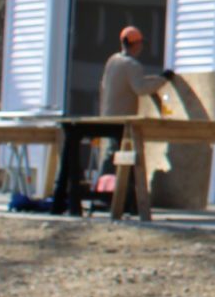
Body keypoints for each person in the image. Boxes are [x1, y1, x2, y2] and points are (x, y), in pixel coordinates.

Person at [51, 27, 173, 216]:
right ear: (135, 44)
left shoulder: (113, 61)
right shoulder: (132, 65)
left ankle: (108, 197)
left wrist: (155, 80)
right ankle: (114, 199)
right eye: (140, 44)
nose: (141, 48)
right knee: (120, 159)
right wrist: (163, 79)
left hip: (107, 116)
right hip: (121, 122)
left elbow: (128, 83)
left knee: (110, 157)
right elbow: (140, 88)